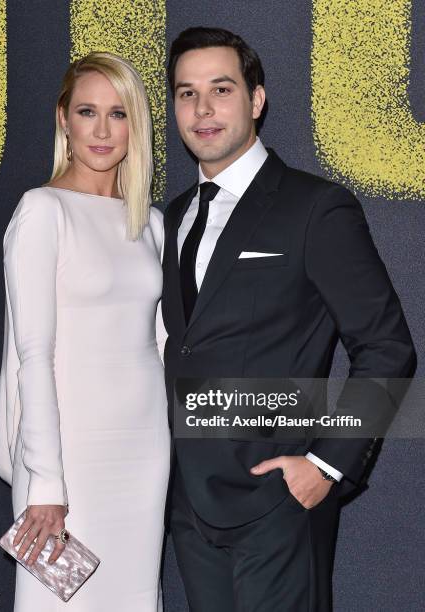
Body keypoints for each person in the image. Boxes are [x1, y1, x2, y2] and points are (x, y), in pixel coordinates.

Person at [162, 27, 416, 611]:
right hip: (187, 505)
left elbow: (387, 346)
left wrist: (326, 465)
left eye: (221, 89)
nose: (202, 109)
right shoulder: (172, 216)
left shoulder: (315, 207)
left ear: (256, 100)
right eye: (185, 93)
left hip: (277, 500)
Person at [0, 51, 170, 612]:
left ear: (135, 125)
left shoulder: (152, 222)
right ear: (63, 118)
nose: (101, 129)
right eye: (87, 111)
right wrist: (46, 483)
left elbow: (160, 347)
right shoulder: (42, 211)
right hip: (69, 458)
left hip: (143, 454)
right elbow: (32, 355)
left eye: (118, 114)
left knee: (135, 598)